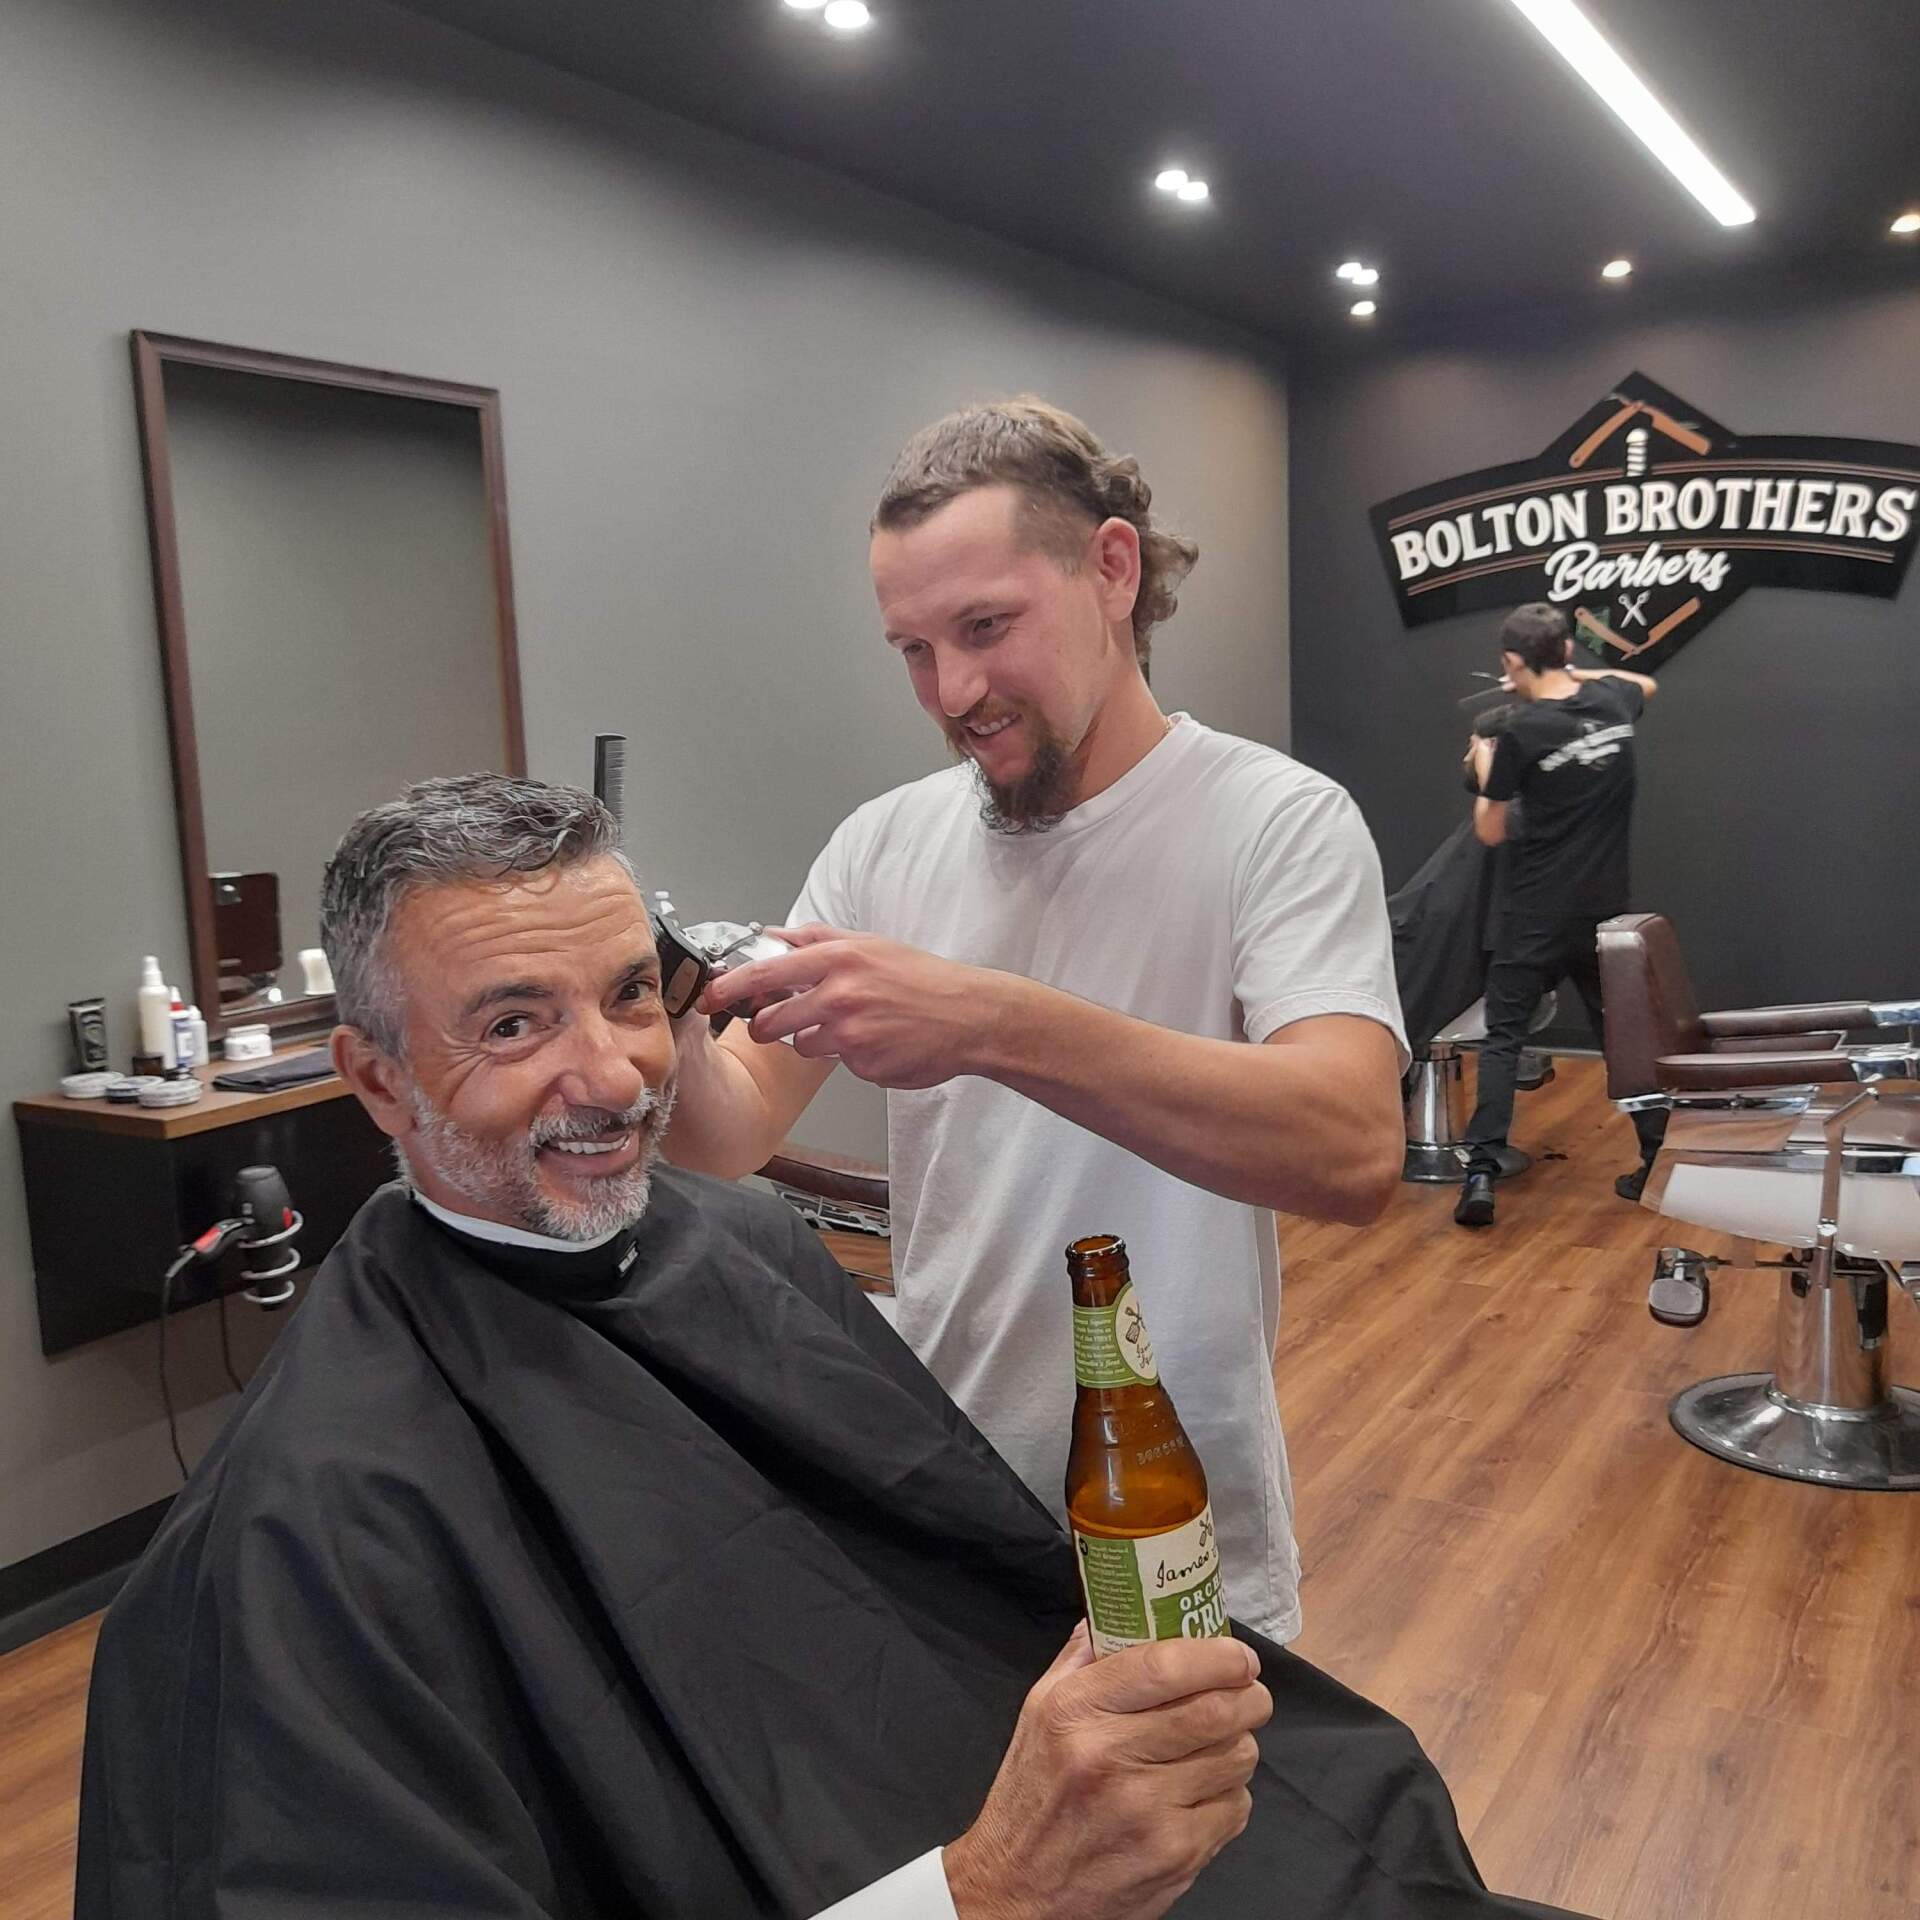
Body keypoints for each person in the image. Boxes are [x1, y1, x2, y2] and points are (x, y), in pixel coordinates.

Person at [75, 775, 1575, 1920]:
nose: (609, 1076)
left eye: (627, 997)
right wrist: (986, 1891)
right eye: (514, 1025)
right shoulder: (311, 1526)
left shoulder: (737, 1246)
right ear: (378, 1080)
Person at [664, 399, 1408, 1647]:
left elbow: (1349, 1148)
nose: (952, 690)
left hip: (1172, 1507)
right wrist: (657, 1000)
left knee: (1202, 1841)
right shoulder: (883, 842)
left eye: (986, 628)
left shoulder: (1275, 823)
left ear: (1111, 569)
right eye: (911, 648)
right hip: (940, 1488)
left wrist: (985, 1020)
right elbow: (726, 1133)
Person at [1454, 604, 1662, 1229]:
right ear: (1568, 651)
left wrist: (1487, 768)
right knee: (1623, 1038)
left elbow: (1490, 831)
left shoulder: (1520, 731)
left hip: (1535, 913)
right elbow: (1644, 683)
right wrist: (1576, 673)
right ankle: (1657, 1158)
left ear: (1512, 662)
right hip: (1603, 913)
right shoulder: (1617, 704)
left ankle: (1481, 1176)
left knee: (1504, 1038)